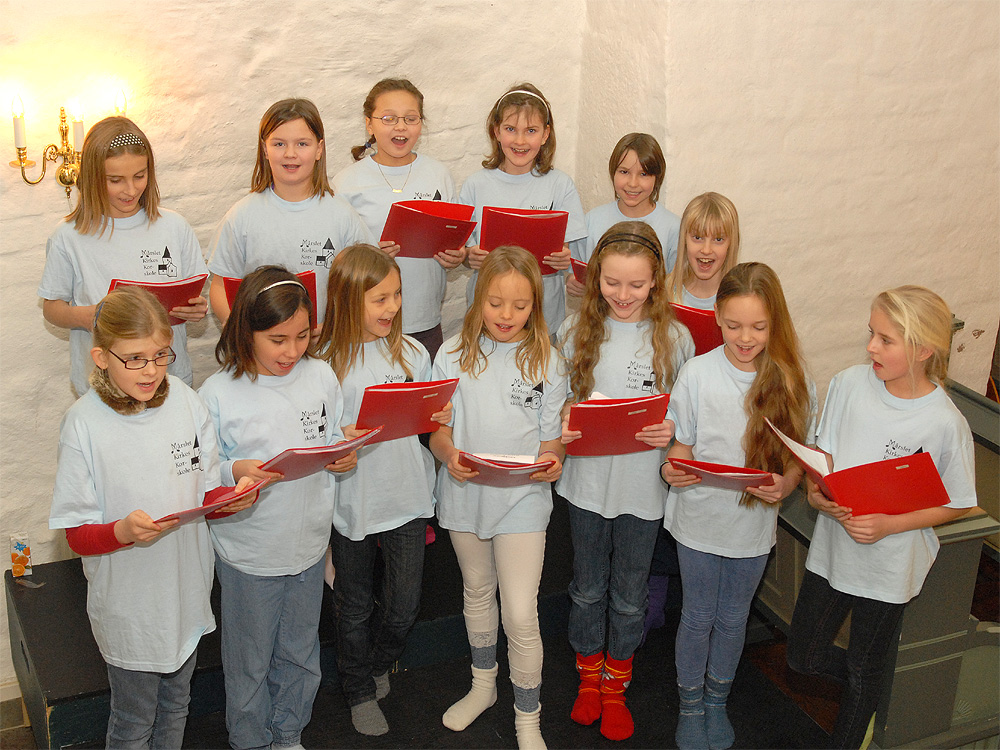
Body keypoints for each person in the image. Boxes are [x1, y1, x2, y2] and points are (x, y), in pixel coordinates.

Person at [48, 287, 257, 747]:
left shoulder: (185, 399)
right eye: (135, 359)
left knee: (177, 703)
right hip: (131, 603)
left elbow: (205, 488)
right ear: (101, 358)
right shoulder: (84, 423)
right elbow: (76, 534)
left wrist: (231, 498)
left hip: (184, 586)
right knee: (134, 719)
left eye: (161, 355)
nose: (151, 370)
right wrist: (122, 531)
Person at [786, 285, 977, 750]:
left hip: (890, 564)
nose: (871, 346)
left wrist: (889, 525)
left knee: (861, 669)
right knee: (802, 656)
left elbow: (959, 502)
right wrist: (815, 493)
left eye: (886, 340)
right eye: (871, 333)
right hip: (835, 549)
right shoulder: (849, 384)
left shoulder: (944, 422)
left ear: (923, 350)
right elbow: (824, 458)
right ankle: (875, 688)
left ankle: (860, 709)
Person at [198, 266, 357, 750]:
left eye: (302, 337)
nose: (291, 351)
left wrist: (343, 455)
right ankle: (250, 740)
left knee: (300, 653)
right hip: (249, 553)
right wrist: (235, 470)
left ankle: (288, 734)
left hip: (308, 545)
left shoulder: (321, 375)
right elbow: (203, 472)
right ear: (246, 331)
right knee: (249, 661)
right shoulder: (218, 393)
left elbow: (333, 437)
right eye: (277, 340)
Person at [661, 262, 815, 750]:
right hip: (699, 518)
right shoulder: (698, 373)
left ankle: (717, 700)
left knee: (733, 619)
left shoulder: (791, 380)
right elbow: (681, 446)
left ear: (775, 324)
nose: (745, 338)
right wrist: (672, 469)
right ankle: (690, 704)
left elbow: (798, 456)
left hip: (751, 524)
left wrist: (787, 483)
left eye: (758, 327)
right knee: (698, 616)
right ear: (717, 317)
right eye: (733, 326)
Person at [558, 222, 694, 740]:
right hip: (587, 485)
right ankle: (587, 679)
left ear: (656, 281)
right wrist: (565, 416)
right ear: (595, 278)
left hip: (642, 487)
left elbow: (687, 413)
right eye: (611, 282)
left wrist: (672, 428)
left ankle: (616, 685)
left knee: (630, 594)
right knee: (587, 588)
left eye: (636, 284)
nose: (623, 294)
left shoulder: (674, 338)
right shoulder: (575, 331)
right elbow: (557, 401)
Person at [429, 246, 568, 750]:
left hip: (522, 499)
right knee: (476, 591)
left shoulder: (549, 360)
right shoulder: (450, 355)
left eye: (520, 305)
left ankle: (528, 717)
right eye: (495, 303)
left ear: (536, 306)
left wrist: (553, 460)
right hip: (466, 493)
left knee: (521, 613)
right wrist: (449, 456)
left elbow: (552, 442)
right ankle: (483, 685)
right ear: (477, 299)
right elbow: (437, 433)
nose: (506, 315)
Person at [316, 244, 450, 736]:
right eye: (380, 299)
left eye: (397, 295)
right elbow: (314, 436)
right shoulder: (324, 364)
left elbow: (428, 426)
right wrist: (338, 437)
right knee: (353, 605)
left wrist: (439, 416)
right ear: (348, 299)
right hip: (353, 501)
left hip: (408, 496)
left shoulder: (412, 353)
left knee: (403, 605)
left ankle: (377, 664)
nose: (393, 307)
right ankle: (357, 688)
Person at [38, 116, 209, 395]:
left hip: (168, 378)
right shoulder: (68, 236)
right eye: (115, 180)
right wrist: (88, 316)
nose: (131, 190)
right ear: (93, 178)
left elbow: (193, 295)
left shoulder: (174, 226)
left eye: (139, 176)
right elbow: (52, 308)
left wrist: (196, 309)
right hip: (103, 386)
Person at [207, 98, 374, 329]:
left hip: (327, 343)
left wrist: (333, 329)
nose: (290, 153)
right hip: (261, 345)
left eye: (302, 144)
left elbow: (368, 283)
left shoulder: (342, 215)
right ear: (265, 149)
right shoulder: (241, 216)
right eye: (279, 144)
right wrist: (239, 332)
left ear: (319, 149)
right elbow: (219, 286)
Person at [332, 78, 465, 358]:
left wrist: (457, 255)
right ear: (369, 124)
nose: (400, 127)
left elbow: (455, 238)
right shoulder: (346, 183)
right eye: (389, 118)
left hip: (425, 320)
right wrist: (370, 258)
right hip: (365, 326)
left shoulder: (439, 174)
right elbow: (337, 262)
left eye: (410, 118)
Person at [460, 83, 586, 333]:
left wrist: (564, 259)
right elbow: (462, 251)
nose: (520, 141)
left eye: (531, 130)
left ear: (545, 134)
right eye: (510, 129)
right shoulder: (475, 185)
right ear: (496, 131)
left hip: (542, 315)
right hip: (487, 314)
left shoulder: (560, 185)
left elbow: (572, 253)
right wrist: (468, 256)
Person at [567, 133, 680, 297]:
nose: (633, 183)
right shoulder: (592, 220)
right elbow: (575, 272)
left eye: (643, 174)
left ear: (657, 178)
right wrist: (572, 282)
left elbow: (675, 287)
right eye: (624, 172)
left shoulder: (674, 228)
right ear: (612, 172)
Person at [665, 192, 741, 309]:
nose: (706, 250)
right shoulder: (664, 292)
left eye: (718, 239)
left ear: (731, 244)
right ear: (684, 239)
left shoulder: (740, 300)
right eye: (697, 238)